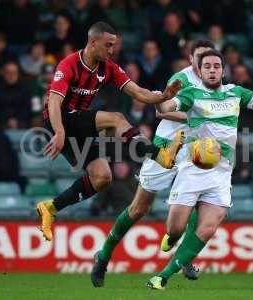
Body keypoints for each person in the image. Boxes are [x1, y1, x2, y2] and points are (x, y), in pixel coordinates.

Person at [146, 40, 253, 290]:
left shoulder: (235, 93)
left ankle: (163, 276)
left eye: (216, 66)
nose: (212, 69)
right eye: (207, 66)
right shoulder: (192, 94)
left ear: (223, 71)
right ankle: (173, 236)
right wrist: (162, 98)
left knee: (208, 228)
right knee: (175, 227)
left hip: (221, 173)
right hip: (192, 168)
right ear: (200, 71)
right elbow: (165, 108)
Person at [36, 22, 181, 242]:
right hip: (59, 120)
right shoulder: (69, 65)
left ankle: (51, 207)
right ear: (93, 43)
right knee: (116, 119)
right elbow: (54, 101)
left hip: (79, 125)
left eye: (114, 45)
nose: (112, 50)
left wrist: (164, 96)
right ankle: (159, 154)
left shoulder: (109, 68)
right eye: (108, 45)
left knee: (102, 177)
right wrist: (59, 131)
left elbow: (139, 93)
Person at [90, 39, 215, 288]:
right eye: (199, 58)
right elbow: (161, 111)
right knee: (139, 209)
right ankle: (103, 256)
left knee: (201, 203)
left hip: (193, 151)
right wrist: (197, 114)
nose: (204, 64)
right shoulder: (180, 79)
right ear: (191, 59)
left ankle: (185, 257)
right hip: (165, 149)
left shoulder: (215, 83)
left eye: (208, 59)